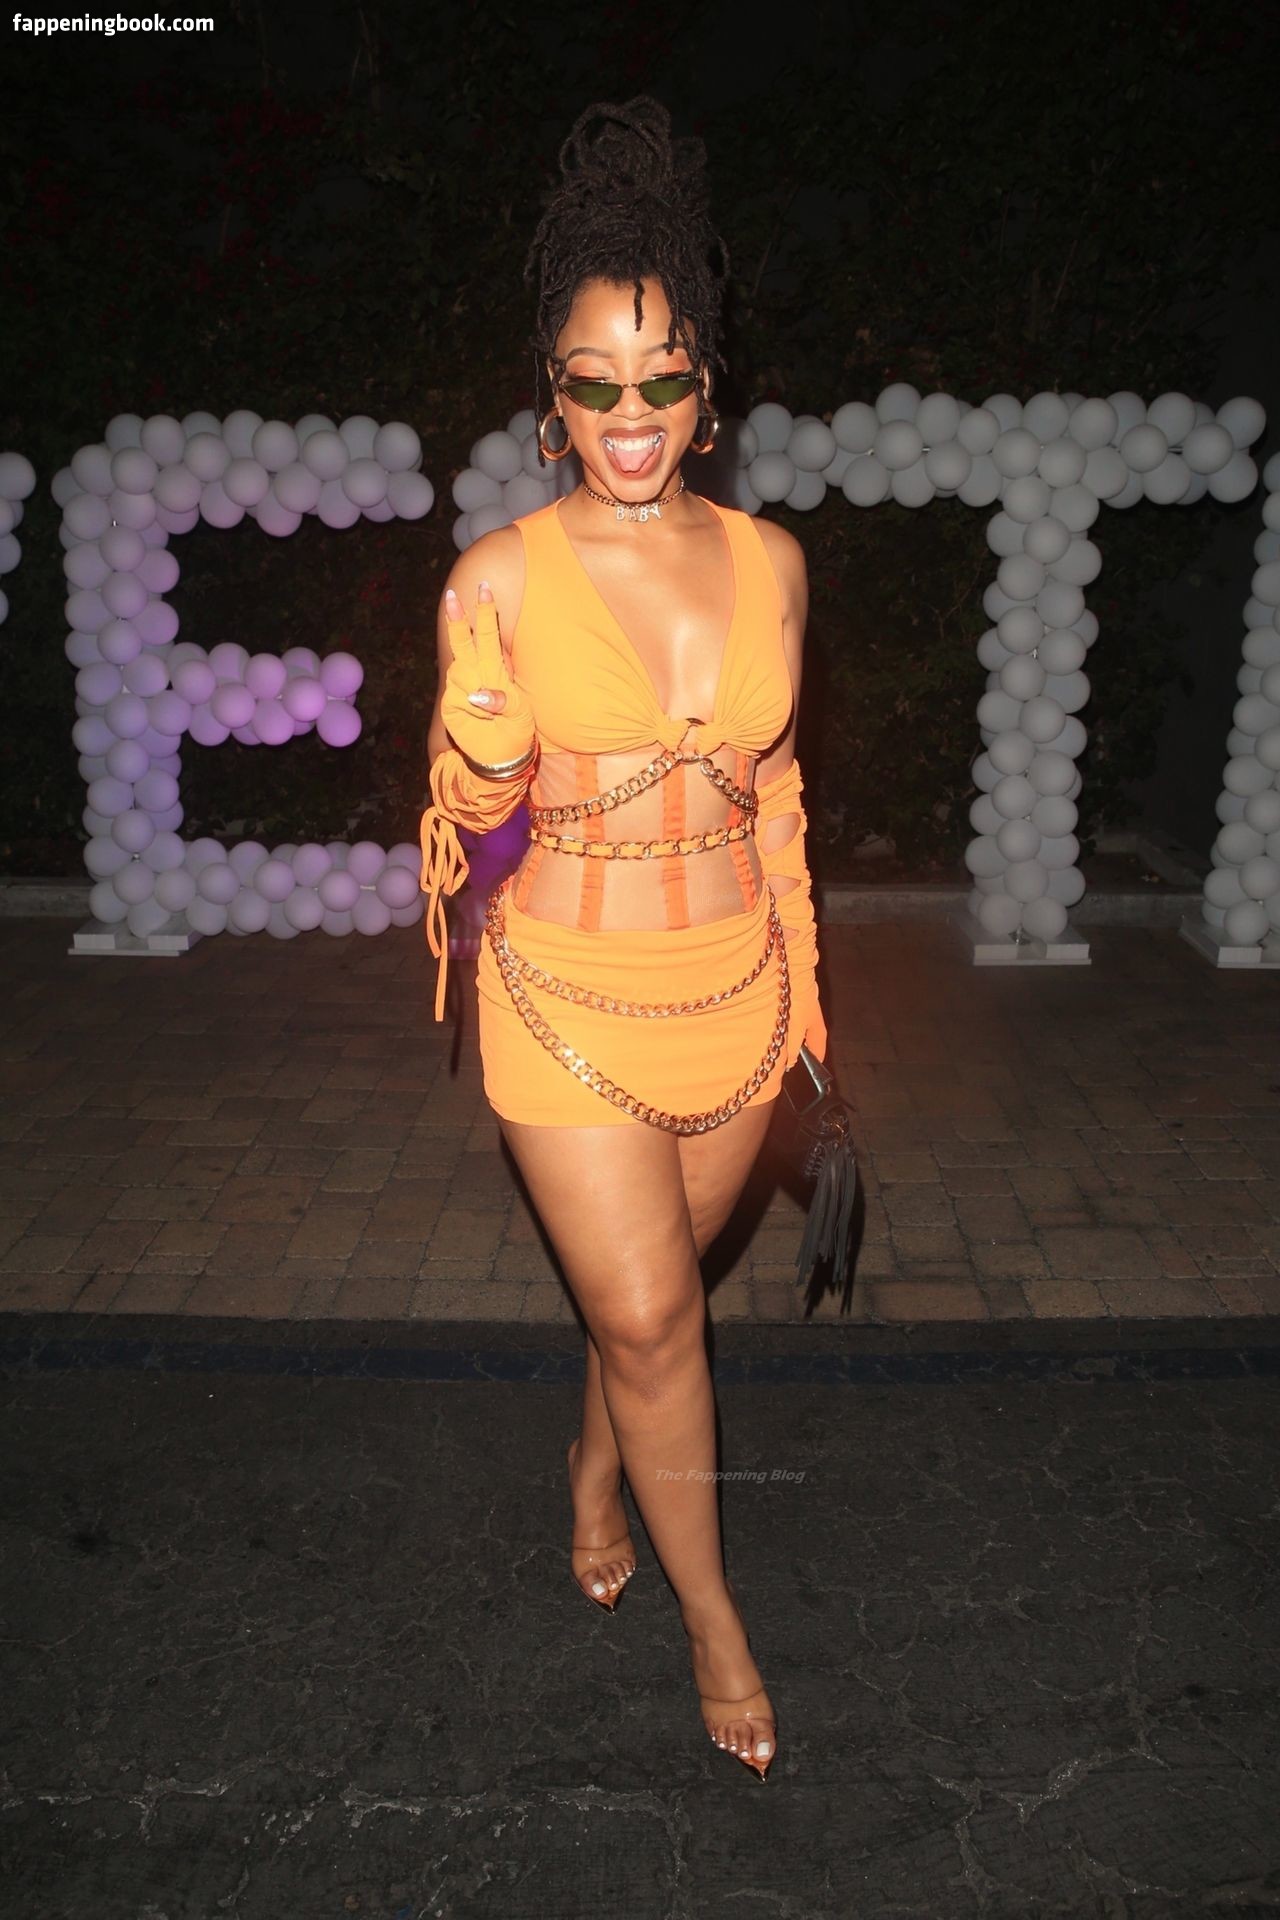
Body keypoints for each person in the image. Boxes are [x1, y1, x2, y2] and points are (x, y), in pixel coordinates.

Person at [419, 96, 827, 1784]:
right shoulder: (498, 578)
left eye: (662, 377)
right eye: (594, 383)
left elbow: (780, 796)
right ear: (552, 399)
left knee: (642, 1309)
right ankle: (714, 1619)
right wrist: (481, 750)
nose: (631, 414)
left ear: (706, 389)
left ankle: (598, 1466)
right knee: (661, 1321)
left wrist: (813, 1004)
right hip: (562, 992)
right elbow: (461, 828)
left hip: (737, 990)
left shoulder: (773, 563)